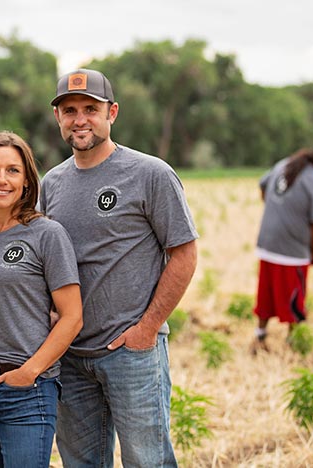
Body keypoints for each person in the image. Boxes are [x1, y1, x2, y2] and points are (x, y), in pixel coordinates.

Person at [39, 69, 199, 467]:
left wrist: (146, 329)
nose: (79, 119)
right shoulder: (52, 184)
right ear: (57, 117)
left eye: (90, 109)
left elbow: (184, 253)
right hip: (70, 355)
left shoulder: (150, 174)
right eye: (69, 110)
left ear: (112, 112)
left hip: (130, 354)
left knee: (147, 461)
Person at [0, 131, 83, 467]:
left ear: (26, 181)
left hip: (25, 390)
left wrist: (30, 371)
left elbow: (72, 316)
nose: (1, 179)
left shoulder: (47, 234)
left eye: (12, 170)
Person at [252, 143, 313, 352]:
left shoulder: (284, 164)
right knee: (294, 298)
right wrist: (312, 253)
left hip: (268, 242)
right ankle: (294, 343)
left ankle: (260, 337)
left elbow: (263, 184)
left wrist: (276, 211)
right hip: (292, 250)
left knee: (266, 292)